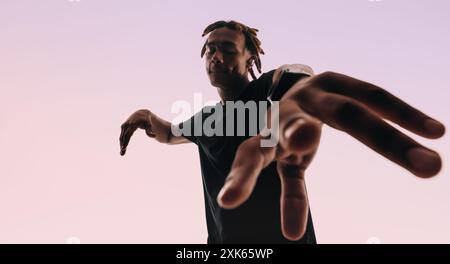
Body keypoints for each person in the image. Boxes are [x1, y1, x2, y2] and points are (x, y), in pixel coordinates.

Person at [119, 20, 445, 244]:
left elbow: (295, 74)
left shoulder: (271, 87)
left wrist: (301, 94)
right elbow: (169, 133)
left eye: (229, 49)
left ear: (251, 59)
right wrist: (148, 116)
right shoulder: (206, 119)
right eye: (209, 49)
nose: (216, 56)